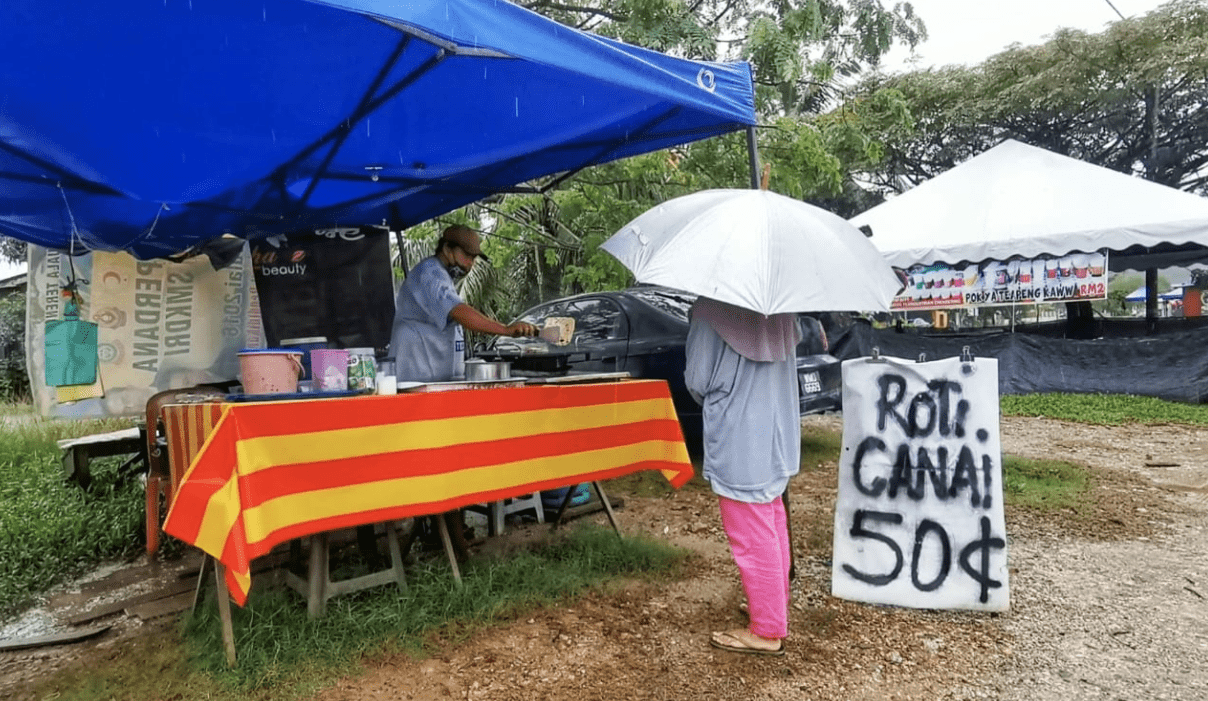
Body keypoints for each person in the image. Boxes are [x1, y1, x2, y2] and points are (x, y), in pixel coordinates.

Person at [684, 296, 801, 657]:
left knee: (751, 530)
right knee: (772, 516)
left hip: (740, 429)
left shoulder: (710, 309)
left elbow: (697, 379)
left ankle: (766, 630)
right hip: (778, 425)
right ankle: (772, 607)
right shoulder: (781, 305)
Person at [390, 225, 537, 382]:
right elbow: (458, 311)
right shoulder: (430, 273)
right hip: (415, 373)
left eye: (473, 259)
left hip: (431, 375)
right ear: (447, 249)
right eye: (467, 256)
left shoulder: (443, 275)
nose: (469, 264)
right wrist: (505, 330)